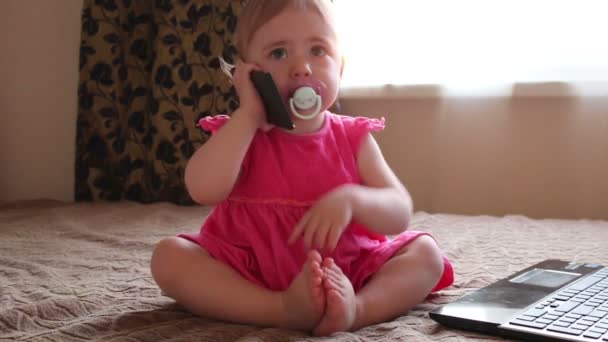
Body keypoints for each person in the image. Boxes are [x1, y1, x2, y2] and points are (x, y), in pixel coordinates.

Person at [150, 0, 454, 336]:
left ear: (340, 67)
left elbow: (398, 212)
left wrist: (353, 199)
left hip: (346, 270)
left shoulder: (353, 137)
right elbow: (202, 188)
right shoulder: (240, 133)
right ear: (250, 75)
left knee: (426, 254)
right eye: (279, 53)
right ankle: (278, 309)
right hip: (251, 274)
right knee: (169, 257)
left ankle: (357, 309)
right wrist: (248, 115)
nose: (301, 68)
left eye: (318, 50)